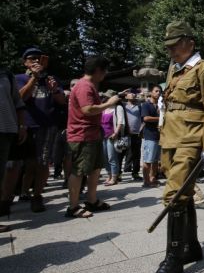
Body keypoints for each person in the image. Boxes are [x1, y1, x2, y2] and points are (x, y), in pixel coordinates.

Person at [146, 20, 204, 273]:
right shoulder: (174, 69)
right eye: (168, 46)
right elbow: (168, 104)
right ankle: (192, 247)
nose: (171, 51)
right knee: (184, 192)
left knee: (173, 195)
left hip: (191, 137)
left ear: (190, 41)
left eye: (175, 45)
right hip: (170, 137)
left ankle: (173, 261)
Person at [66, 56, 120, 218]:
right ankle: (73, 207)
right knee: (79, 171)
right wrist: (109, 104)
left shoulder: (88, 86)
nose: (105, 74)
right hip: (82, 135)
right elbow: (87, 110)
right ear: (98, 70)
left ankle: (92, 200)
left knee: (95, 168)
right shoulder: (84, 86)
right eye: (105, 70)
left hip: (92, 134)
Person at [13, 47, 66, 212]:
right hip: (24, 126)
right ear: (25, 62)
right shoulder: (18, 78)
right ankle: (16, 194)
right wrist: (34, 78)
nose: (36, 61)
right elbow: (20, 98)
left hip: (47, 125)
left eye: (39, 58)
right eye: (32, 58)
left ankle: (37, 196)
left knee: (42, 162)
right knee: (18, 164)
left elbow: (62, 101)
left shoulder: (52, 79)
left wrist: (55, 90)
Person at [0, 64, 27, 223]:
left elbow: (18, 102)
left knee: (3, 172)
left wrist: (22, 125)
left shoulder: (6, 75)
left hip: (5, 130)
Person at [141, 85, 162, 187]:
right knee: (148, 160)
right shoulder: (146, 105)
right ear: (151, 92)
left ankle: (152, 178)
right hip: (150, 136)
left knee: (155, 160)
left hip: (159, 136)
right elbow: (146, 118)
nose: (158, 93)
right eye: (156, 91)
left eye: (159, 91)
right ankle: (146, 181)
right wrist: (160, 119)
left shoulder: (160, 105)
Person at [123, 92, 143, 180]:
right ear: (126, 96)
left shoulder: (139, 106)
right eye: (130, 94)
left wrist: (141, 130)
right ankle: (120, 173)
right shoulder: (123, 106)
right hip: (125, 133)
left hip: (137, 134)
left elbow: (143, 119)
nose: (133, 95)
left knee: (136, 154)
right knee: (123, 153)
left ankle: (135, 173)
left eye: (134, 94)